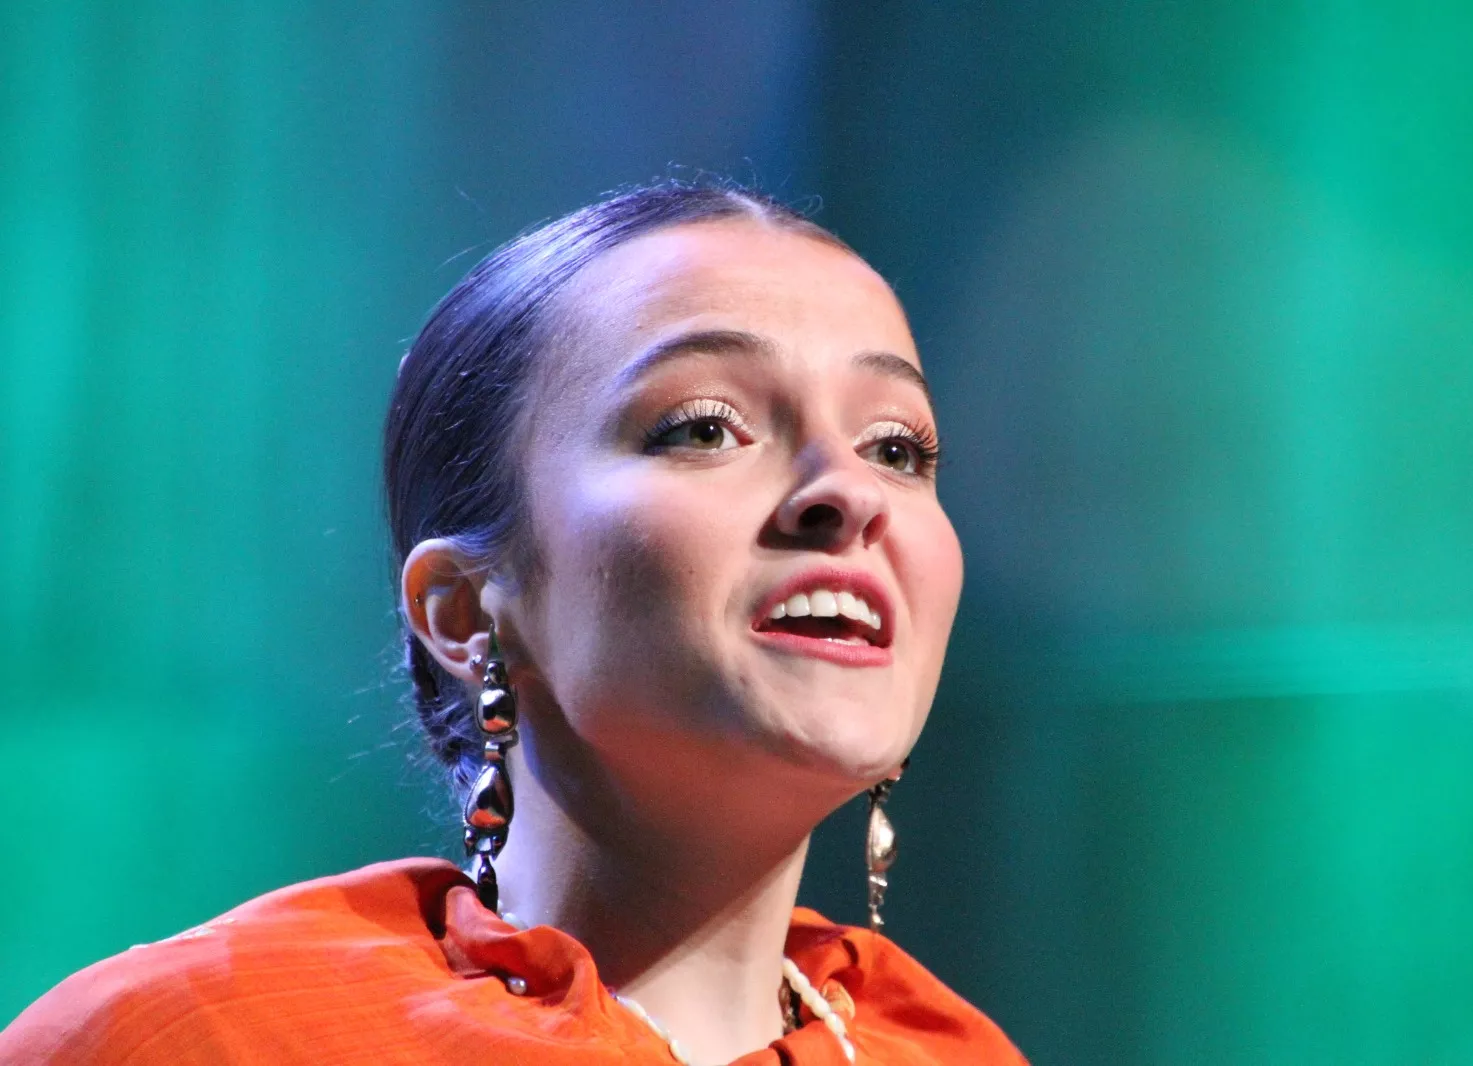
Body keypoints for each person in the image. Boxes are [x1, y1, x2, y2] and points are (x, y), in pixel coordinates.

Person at [1, 181, 1026, 1064]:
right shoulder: (203, 1039)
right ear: (462, 609)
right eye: (705, 427)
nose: (846, 494)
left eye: (897, 447)